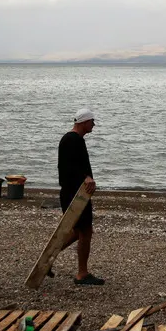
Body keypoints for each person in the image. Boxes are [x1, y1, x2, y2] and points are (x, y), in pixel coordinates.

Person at [56, 107, 104, 285]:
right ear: (84, 122)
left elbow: (73, 165)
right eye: (92, 122)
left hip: (76, 192)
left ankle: (48, 259)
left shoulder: (75, 139)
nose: (94, 125)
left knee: (78, 231)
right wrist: (86, 177)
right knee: (85, 232)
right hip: (75, 194)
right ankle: (82, 274)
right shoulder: (72, 139)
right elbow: (67, 168)